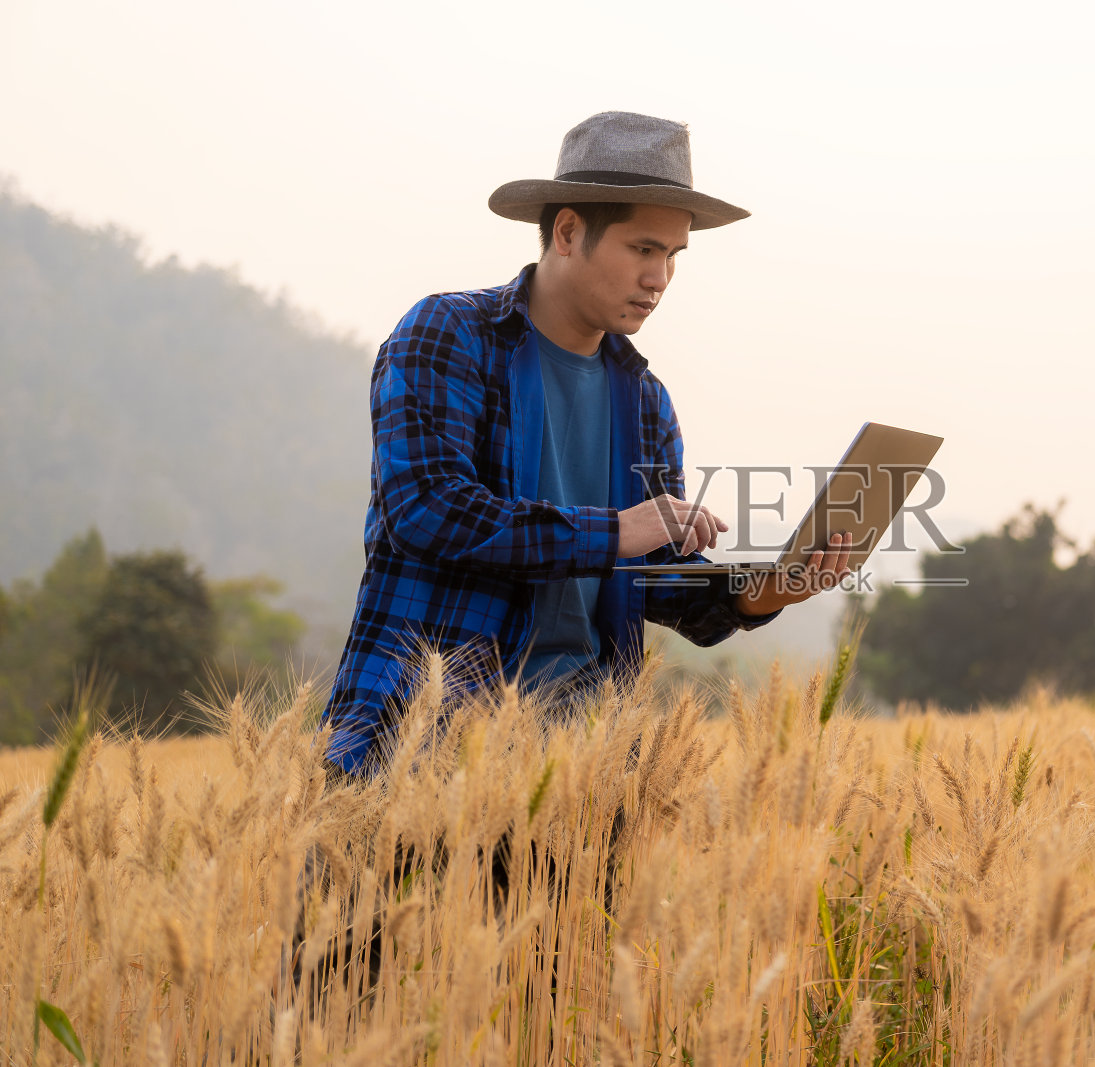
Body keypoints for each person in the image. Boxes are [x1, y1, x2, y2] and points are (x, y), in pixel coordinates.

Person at [320, 111, 851, 777]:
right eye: (643, 248)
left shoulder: (646, 400)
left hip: (583, 767)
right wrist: (614, 531)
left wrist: (763, 592)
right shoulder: (449, 333)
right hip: (423, 746)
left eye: (672, 256)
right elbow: (428, 510)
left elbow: (650, 580)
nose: (660, 278)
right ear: (568, 231)